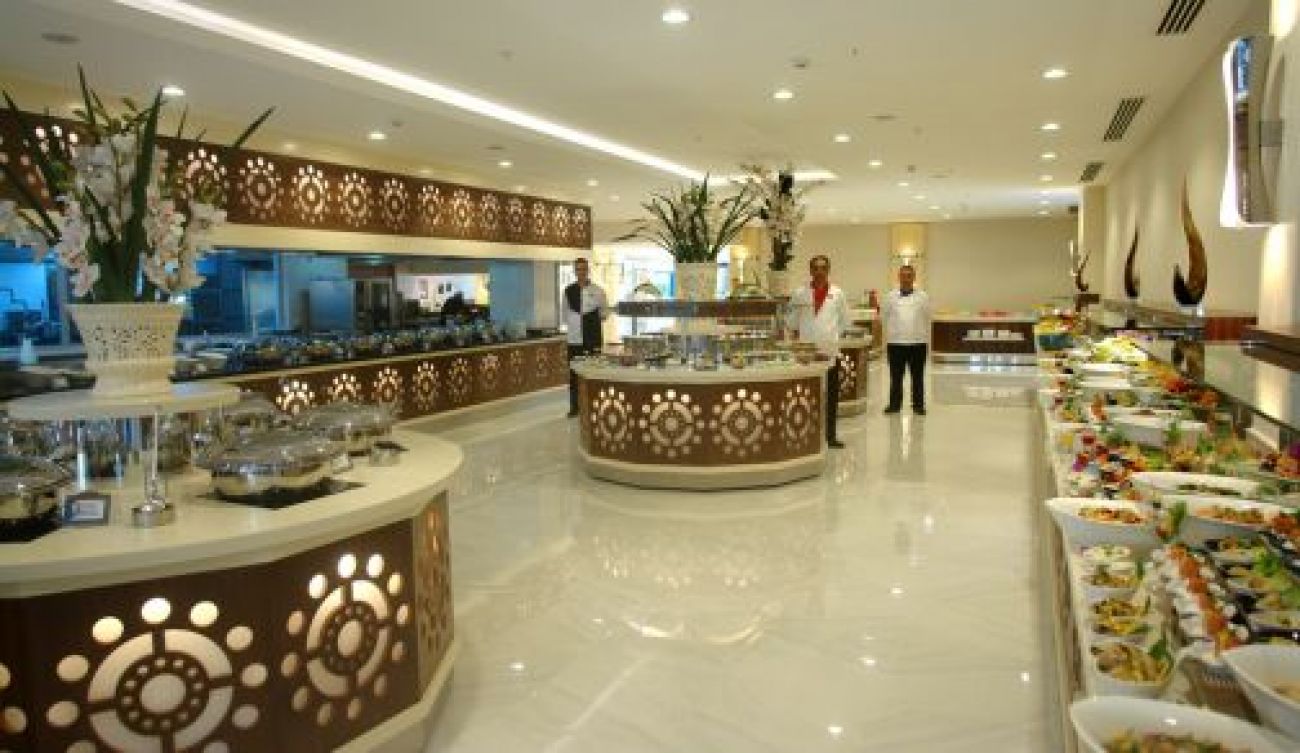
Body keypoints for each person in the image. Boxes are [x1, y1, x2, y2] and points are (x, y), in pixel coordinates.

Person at [787, 254, 850, 449]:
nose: (819, 271)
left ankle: (831, 436)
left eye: (823, 268)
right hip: (806, 354)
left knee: (830, 397)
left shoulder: (838, 293)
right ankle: (807, 435)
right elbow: (792, 322)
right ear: (810, 270)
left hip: (829, 352)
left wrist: (830, 339)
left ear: (828, 270)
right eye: (815, 268)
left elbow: (844, 322)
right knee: (807, 396)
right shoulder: (799, 293)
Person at [881, 264, 932, 415]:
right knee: (896, 377)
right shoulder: (890, 296)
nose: (906, 279)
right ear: (899, 277)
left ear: (914, 278)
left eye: (909, 276)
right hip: (896, 343)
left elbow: (928, 317)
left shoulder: (923, 296)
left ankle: (918, 405)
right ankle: (894, 405)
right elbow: (884, 317)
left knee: (918, 377)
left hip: (918, 343)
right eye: (903, 276)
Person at [564, 257, 609, 418]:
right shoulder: (568, 291)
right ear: (574, 271)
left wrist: (591, 319)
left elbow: (604, 313)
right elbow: (565, 313)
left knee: (594, 371)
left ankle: (594, 406)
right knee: (574, 373)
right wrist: (575, 323)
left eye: (583, 269)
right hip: (574, 339)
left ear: (588, 270)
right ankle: (574, 407)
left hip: (593, 337)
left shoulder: (598, 291)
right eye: (578, 269)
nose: (581, 272)